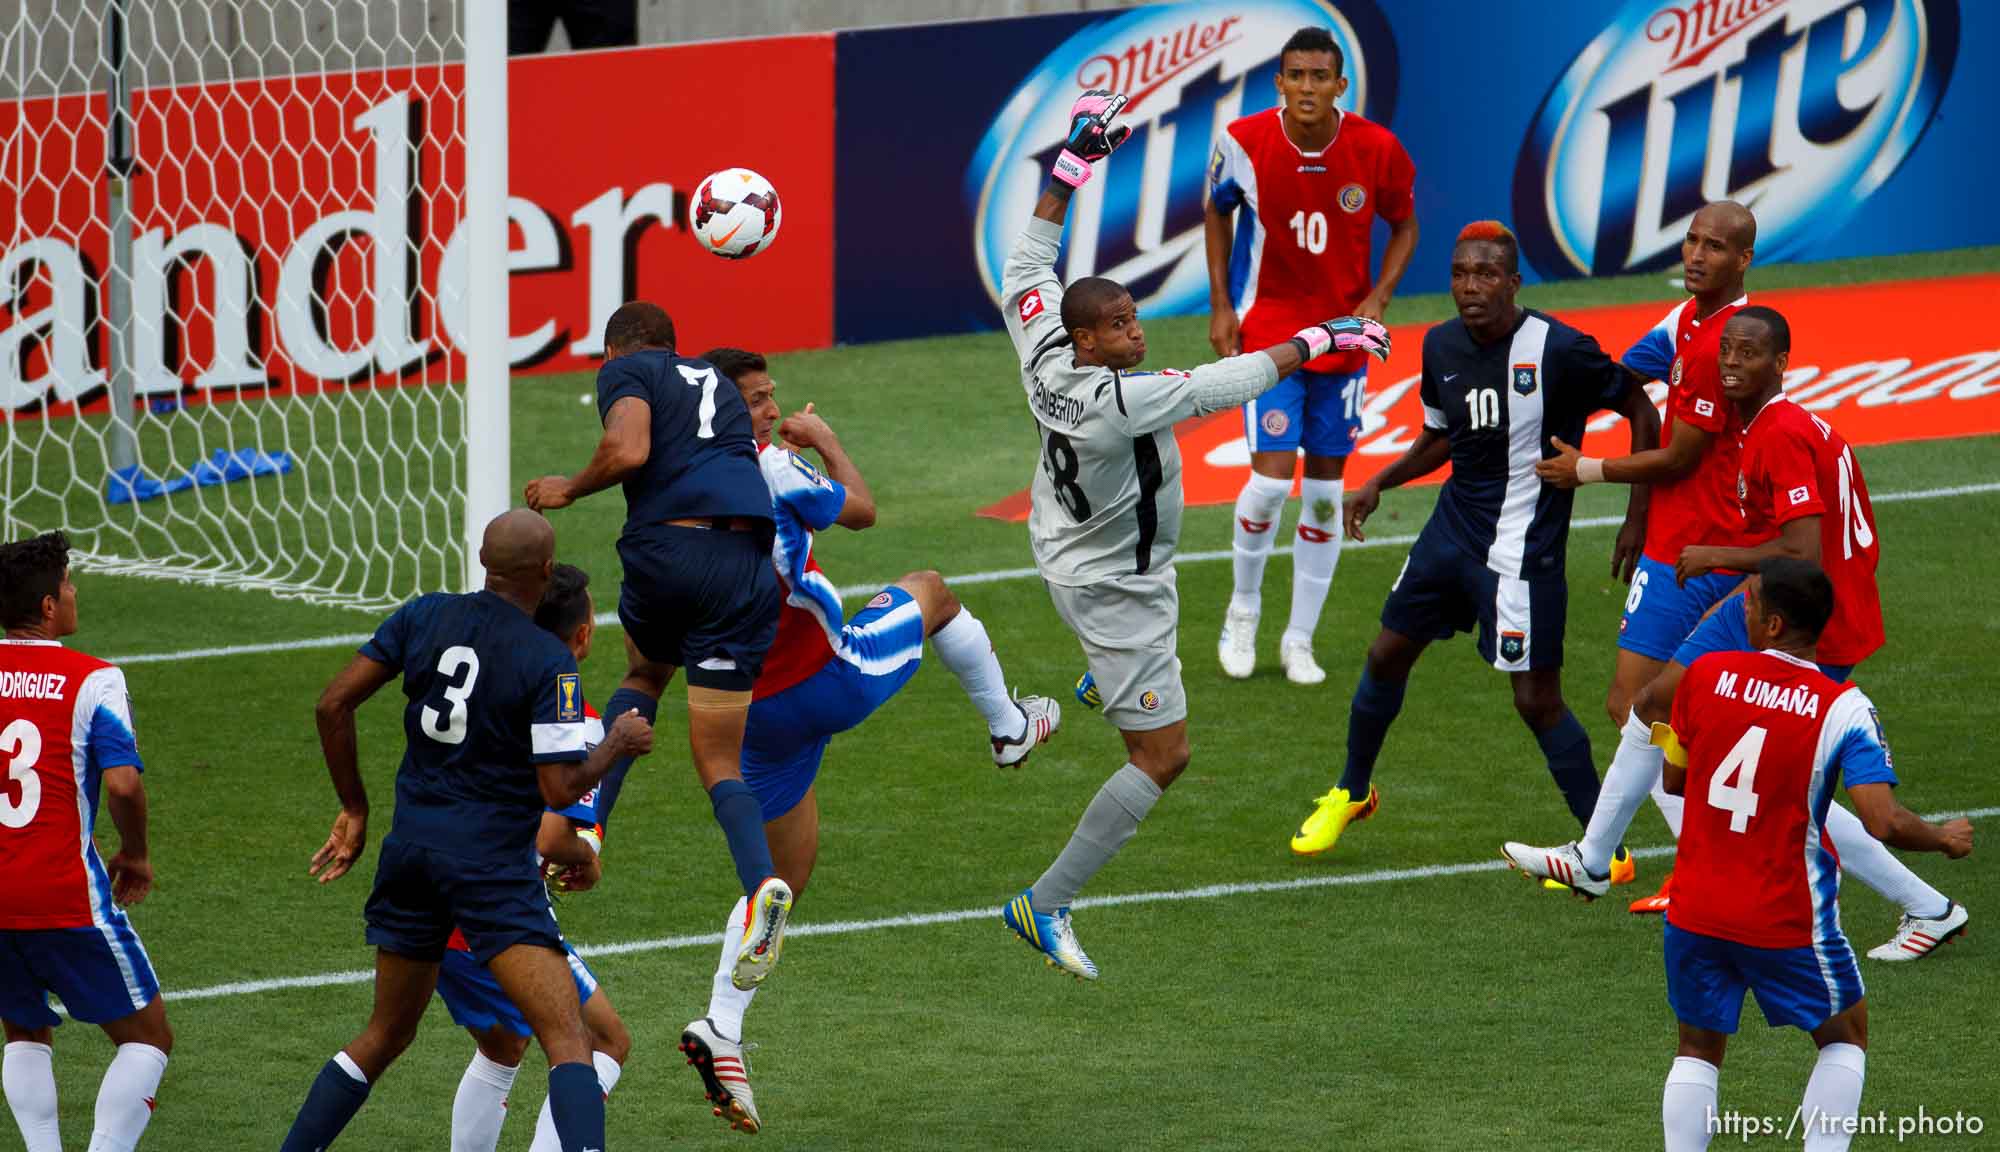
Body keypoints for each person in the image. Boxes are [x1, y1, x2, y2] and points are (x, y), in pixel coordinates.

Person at [998, 89, 1390, 978]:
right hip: (1116, 587)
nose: (1138, 332)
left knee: (1141, 668)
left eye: (1135, 319)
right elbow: (1229, 381)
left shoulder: (1041, 346)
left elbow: (1030, 257)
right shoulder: (1119, 400)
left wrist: (1072, 164)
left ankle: (1101, 683)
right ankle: (1047, 902)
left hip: (1066, 544)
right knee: (1165, 754)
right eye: (1122, 325)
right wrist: (1328, 334)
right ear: (1089, 343)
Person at [676, 348, 1062, 1131]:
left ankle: (722, 1027)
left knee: (786, 873)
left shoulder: (673, 488)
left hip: (743, 711)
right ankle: (1011, 728)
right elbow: (861, 509)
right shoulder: (775, 469)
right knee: (932, 591)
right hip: (827, 679)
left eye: (772, 396)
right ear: (723, 408)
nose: (769, 408)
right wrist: (823, 440)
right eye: (756, 399)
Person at [1506, 307, 1969, 960]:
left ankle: (1931, 906)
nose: (1729, 362)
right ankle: (1592, 857)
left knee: (1789, 793)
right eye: (1725, 350)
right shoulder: (1768, 425)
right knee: (1652, 701)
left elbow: (1804, 549)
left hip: (1810, 618)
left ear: (1780, 363)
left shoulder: (1777, 433)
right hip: (1768, 598)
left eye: (1747, 353)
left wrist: (1718, 556)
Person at [277, 509, 651, 1152]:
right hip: (489, 869)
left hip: (412, 853)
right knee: (569, 1040)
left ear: (483, 560)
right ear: (543, 570)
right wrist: (615, 743)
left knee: (385, 1035)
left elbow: (331, 703)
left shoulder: (423, 615)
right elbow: (560, 789)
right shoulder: (547, 661)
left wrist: (356, 808)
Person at [1289, 221, 1660, 857]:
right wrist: (1380, 482)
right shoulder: (1439, 345)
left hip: (1522, 548)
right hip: (1450, 532)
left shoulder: (1560, 349)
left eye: (1486, 274)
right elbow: (1442, 435)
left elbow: (1641, 408)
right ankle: (1352, 791)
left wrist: (1636, 513)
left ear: (1513, 283)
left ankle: (1606, 852)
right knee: (1384, 653)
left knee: (1536, 701)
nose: (1470, 287)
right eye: (1460, 274)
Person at [1647, 557, 1971, 1152]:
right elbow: (1882, 820)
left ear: (1773, 625)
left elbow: (1673, 781)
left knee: (1696, 1048)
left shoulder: (1706, 674)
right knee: (1845, 1037)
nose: (1739, 607)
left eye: (1748, 600)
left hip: (1694, 909)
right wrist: (1943, 839)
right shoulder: (1843, 706)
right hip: (1783, 916)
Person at [525, 302, 794, 991]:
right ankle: (762, 882)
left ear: (615, 352)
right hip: (745, 564)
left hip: (669, 549)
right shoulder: (711, 381)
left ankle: (584, 833)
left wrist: (570, 488)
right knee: (718, 760)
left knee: (645, 673)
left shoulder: (626, 371)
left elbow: (630, 450)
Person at [1528, 200, 1758, 909]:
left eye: (1714, 246)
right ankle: (1664, 863)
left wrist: (1588, 471)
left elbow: (1682, 456)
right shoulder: (1684, 323)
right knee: (1641, 707)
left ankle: (1692, 865)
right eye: (1690, 240)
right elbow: (1623, 377)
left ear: (1742, 260)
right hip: (1670, 543)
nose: (1695, 254)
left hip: (1702, 552)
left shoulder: (1727, 345)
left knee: (1654, 708)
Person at [1209, 25, 1419, 685]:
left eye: (1318, 77)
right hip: (1270, 333)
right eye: (1295, 76)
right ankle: (1242, 610)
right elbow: (1216, 213)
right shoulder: (1242, 142)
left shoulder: (1377, 149)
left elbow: (1405, 222)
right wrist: (1222, 305)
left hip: (1345, 339)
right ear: (1279, 83)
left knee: (1325, 498)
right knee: (1270, 483)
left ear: (1339, 85)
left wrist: (1379, 296)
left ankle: (1298, 639)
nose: (1306, 88)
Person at [443, 564, 631, 1152]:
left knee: (502, 1045)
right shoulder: (573, 711)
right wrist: (589, 858)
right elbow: (553, 838)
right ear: (582, 634)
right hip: (498, 906)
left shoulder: (483, 678)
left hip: (429, 880)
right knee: (603, 1040)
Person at [0, 531, 173, 1152]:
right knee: (148, 1037)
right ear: (48, 606)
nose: (74, 593)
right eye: (69, 583)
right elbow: (123, 783)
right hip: (64, 895)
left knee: (23, 1029)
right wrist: (136, 851)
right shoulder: (93, 679)